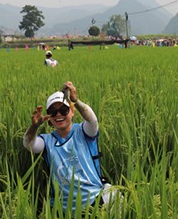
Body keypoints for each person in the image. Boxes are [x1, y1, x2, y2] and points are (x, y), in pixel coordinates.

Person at [23, 82, 118, 212]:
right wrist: (34, 126)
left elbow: (93, 121)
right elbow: (29, 144)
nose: (58, 115)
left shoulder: (84, 131)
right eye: (53, 112)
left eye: (63, 110)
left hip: (94, 200)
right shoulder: (47, 141)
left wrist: (76, 101)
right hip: (63, 209)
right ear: (49, 117)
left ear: (72, 111)